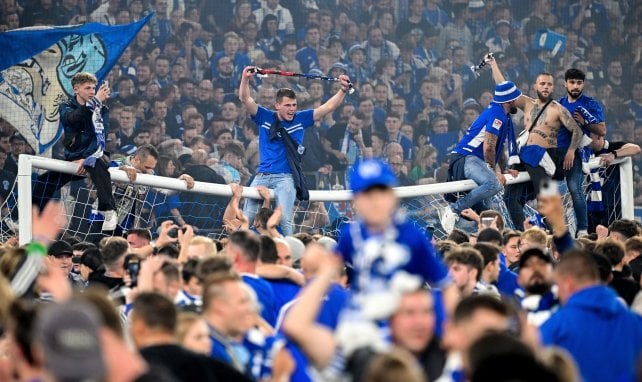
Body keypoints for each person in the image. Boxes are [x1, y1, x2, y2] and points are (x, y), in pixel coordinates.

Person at [239, 66, 352, 236]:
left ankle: (289, 254)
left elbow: (328, 107)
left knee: (284, 219)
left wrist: (343, 90)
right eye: (287, 105)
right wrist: (245, 78)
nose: (292, 109)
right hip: (262, 176)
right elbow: (245, 98)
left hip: (285, 178)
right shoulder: (264, 116)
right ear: (277, 105)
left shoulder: (301, 118)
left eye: (294, 105)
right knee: (248, 217)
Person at [489, 60, 584, 231]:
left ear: (553, 88)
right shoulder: (527, 103)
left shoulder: (558, 109)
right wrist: (494, 64)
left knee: (545, 197)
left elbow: (577, 131)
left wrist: (571, 151)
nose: (546, 87)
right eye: (542, 83)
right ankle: (522, 233)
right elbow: (504, 87)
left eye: (549, 84)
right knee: (510, 198)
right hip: (525, 159)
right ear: (535, 86)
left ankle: (556, 232)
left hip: (546, 157)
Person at [540, 250, 642, 382]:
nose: (557, 293)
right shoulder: (635, 322)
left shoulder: (556, 326)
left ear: (568, 283)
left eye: (558, 286)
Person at [33, 72, 117, 231]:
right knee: (44, 182)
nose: (92, 91)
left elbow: (100, 137)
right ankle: (33, 216)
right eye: (88, 88)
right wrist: (94, 101)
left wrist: (87, 158)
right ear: (76, 89)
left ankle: (108, 210)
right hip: (73, 159)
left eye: (94, 88)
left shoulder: (102, 110)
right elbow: (72, 119)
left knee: (98, 165)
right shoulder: (65, 107)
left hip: (94, 155)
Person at [439, 81, 522, 233]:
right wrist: (492, 171)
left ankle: (487, 240)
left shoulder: (503, 114)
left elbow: (499, 147)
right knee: (493, 184)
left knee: (489, 214)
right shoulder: (497, 114)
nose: (517, 101)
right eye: (515, 98)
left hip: (476, 161)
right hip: (466, 157)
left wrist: (504, 169)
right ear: (509, 100)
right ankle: (453, 209)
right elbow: (489, 146)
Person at [558, 68, 607, 236]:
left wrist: (585, 122)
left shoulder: (590, 104)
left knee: (574, 188)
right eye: (572, 82)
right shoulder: (559, 104)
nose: (575, 86)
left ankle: (583, 230)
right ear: (565, 83)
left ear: (583, 84)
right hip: (556, 153)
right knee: (543, 188)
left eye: (579, 83)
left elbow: (602, 130)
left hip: (577, 153)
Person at [586, 132, 641, 231]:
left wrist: (613, 154)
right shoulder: (585, 152)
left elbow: (636, 148)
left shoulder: (613, 147)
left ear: (599, 136)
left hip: (613, 208)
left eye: (588, 137)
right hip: (591, 207)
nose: (585, 140)